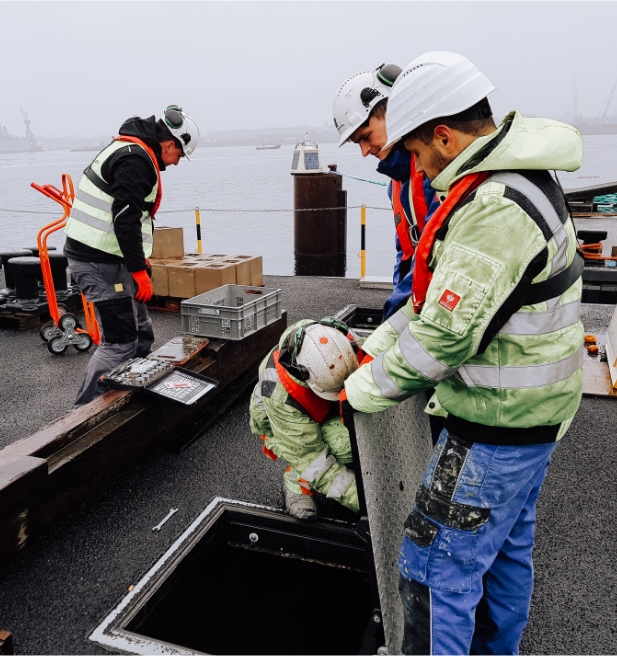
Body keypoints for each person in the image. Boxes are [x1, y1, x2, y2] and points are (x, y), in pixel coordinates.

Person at [342, 51, 585, 654]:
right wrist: (375, 344)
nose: (415, 168)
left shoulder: (493, 210)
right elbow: (445, 303)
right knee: (504, 554)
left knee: (432, 567)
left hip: (494, 424)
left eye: (417, 152)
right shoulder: (518, 177)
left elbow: (446, 335)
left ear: (444, 137)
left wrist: (360, 388)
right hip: (535, 414)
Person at [333, 64, 444, 444]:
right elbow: (408, 254)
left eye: (366, 136)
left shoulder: (435, 170)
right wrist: (394, 321)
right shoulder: (399, 180)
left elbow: (436, 259)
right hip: (421, 305)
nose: (365, 151)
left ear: (393, 108)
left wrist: (391, 329)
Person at [64, 106, 200, 407]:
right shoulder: (135, 159)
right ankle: (83, 414)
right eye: (179, 155)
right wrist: (138, 271)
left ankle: (136, 392)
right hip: (97, 263)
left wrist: (138, 263)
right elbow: (125, 217)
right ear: (168, 144)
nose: (176, 163)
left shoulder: (132, 150)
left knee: (140, 333)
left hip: (112, 259)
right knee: (119, 341)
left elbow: (129, 218)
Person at [249, 318, 362, 520]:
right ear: (303, 376)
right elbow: (311, 459)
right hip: (283, 431)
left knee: (361, 427)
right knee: (345, 443)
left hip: (321, 410)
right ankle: (296, 482)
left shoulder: (332, 341)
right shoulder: (280, 396)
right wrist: (368, 502)